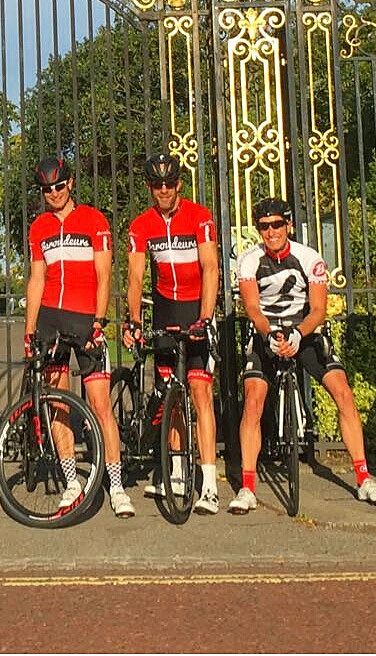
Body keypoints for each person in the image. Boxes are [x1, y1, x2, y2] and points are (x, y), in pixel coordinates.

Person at [231, 197, 376, 512]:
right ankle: (248, 487)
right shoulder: (249, 260)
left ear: (288, 225)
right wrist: (270, 334)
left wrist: (297, 333)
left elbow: (319, 310)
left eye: (277, 224)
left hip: (305, 331)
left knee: (343, 391)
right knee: (253, 400)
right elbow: (252, 307)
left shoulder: (310, 258)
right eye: (264, 226)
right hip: (268, 331)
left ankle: (364, 478)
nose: (271, 231)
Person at [24, 155, 135, 518]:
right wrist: (29, 330)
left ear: (70, 184)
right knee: (59, 403)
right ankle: (72, 481)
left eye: (58, 186)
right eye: (46, 189)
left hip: (86, 318)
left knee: (100, 405)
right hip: (51, 321)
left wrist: (100, 320)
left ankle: (116, 485)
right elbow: (37, 279)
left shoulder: (93, 219)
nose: (53, 193)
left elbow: (105, 275)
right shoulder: (38, 226)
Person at [125, 152, 221, 514]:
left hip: (196, 306)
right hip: (165, 309)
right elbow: (135, 277)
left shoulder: (200, 217)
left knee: (199, 391)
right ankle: (177, 470)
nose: (163, 190)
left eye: (169, 183)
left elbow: (210, 268)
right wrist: (134, 319)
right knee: (171, 395)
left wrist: (206, 316)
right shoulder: (141, 225)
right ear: (150, 188)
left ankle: (209, 484)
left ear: (179, 183)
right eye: (156, 185)